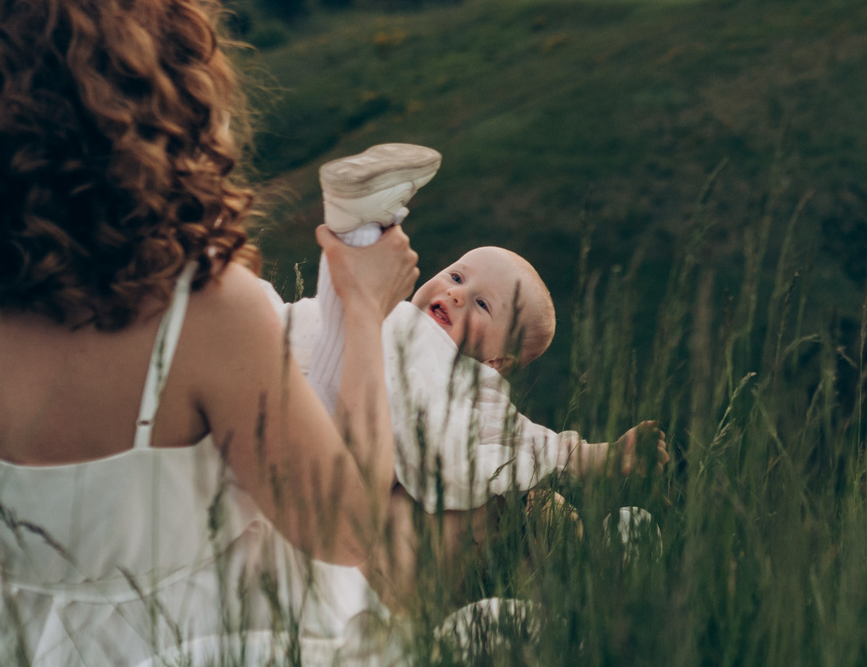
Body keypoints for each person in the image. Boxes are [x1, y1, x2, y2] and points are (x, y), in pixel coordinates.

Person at [0, 0, 511, 667]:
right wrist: (366, 307)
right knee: (510, 634)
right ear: (151, 98)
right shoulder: (200, 312)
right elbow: (351, 529)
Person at [273, 142, 665, 513]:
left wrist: (595, 457)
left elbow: (521, 439)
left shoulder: (472, 384)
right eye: (457, 277)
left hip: (342, 450)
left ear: (495, 360)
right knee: (326, 308)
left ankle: (361, 224)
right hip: (295, 390)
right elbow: (313, 320)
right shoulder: (393, 312)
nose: (456, 295)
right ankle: (361, 223)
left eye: (482, 305)